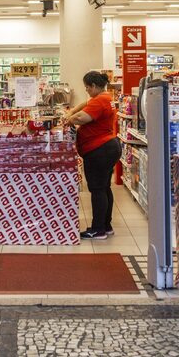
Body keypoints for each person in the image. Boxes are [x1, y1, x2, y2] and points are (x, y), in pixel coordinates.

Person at [63, 70, 121, 240]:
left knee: (97, 190)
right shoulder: (105, 97)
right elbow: (86, 103)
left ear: (94, 86)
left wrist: (69, 117)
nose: (86, 90)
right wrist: (72, 110)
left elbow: (81, 118)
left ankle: (98, 229)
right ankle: (106, 225)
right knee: (104, 188)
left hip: (99, 149)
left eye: (87, 87)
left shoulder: (100, 100)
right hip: (108, 146)